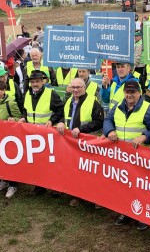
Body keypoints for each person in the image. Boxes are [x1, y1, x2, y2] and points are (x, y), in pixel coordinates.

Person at [104, 80, 150, 230]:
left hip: (141, 158)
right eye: (127, 92)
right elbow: (108, 119)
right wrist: (110, 131)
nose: (129, 95)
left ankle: (143, 216)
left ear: (139, 93)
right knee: (125, 186)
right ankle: (126, 211)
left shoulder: (149, 109)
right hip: (122, 156)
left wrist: (144, 136)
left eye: (132, 92)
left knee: (142, 187)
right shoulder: (118, 106)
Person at [56, 78, 104, 206]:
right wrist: (60, 121)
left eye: (78, 87)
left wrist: (82, 129)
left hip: (87, 144)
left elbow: (99, 122)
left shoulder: (93, 102)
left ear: (84, 88)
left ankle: (95, 198)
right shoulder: (69, 101)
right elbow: (64, 116)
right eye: (73, 87)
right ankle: (77, 195)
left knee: (91, 172)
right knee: (75, 170)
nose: (76, 90)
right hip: (71, 143)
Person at [20, 70, 64, 196]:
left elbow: (60, 110)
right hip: (32, 134)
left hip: (47, 134)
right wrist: (24, 117)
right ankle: (39, 186)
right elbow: (25, 109)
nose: (35, 84)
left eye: (37, 81)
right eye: (32, 82)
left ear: (43, 81)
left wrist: (52, 120)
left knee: (51, 162)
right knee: (36, 161)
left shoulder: (51, 94)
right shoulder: (27, 94)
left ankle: (56, 187)